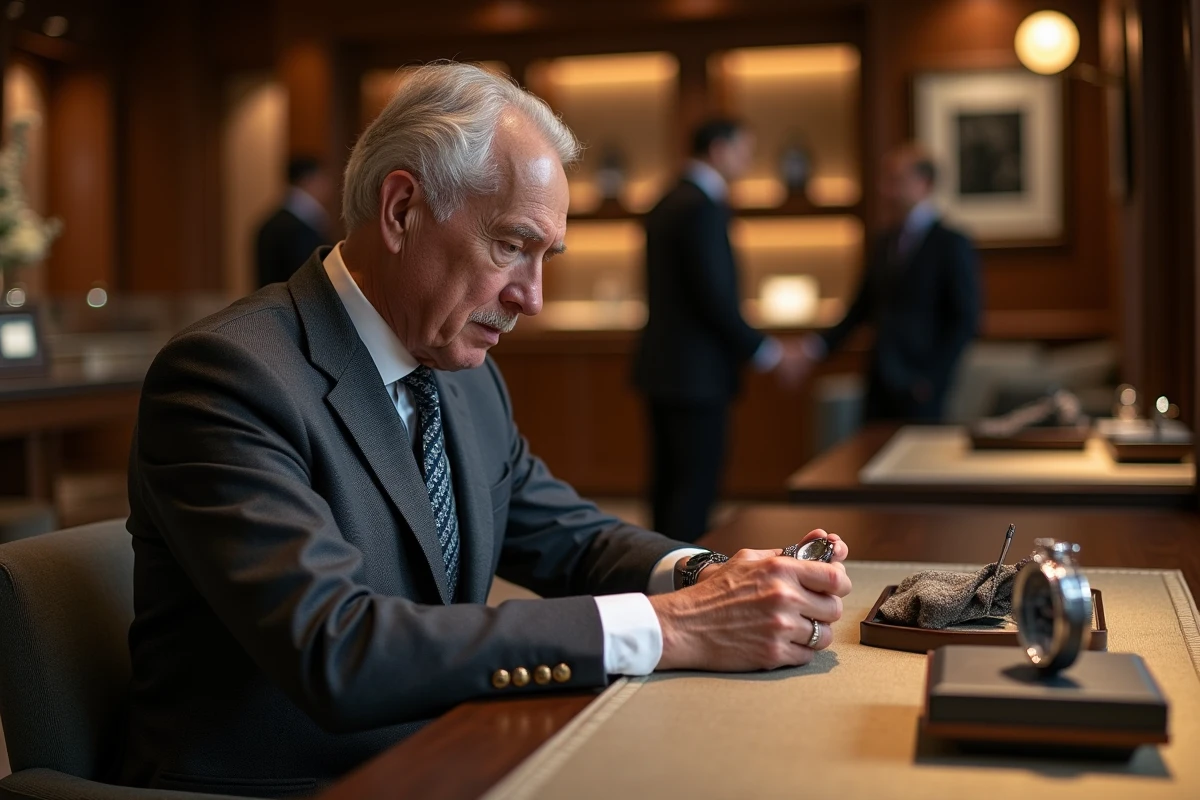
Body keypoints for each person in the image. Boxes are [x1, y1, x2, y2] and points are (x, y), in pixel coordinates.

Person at [121, 64, 852, 795]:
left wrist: (708, 574)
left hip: (454, 757)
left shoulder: (462, 375)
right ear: (402, 209)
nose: (530, 298)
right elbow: (337, 649)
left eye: (545, 258)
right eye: (511, 246)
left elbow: (573, 539)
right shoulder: (227, 377)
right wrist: (675, 626)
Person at [633, 119, 805, 543]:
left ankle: (660, 576)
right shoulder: (701, 206)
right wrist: (768, 353)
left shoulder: (667, 199)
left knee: (669, 486)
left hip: (665, 368)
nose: (747, 161)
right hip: (697, 376)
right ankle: (685, 585)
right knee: (693, 491)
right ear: (718, 149)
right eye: (743, 150)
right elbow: (714, 299)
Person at [793, 144, 982, 421]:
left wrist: (932, 379)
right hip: (879, 381)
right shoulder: (884, 243)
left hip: (921, 386)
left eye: (895, 180)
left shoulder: (951, 244)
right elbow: (860, 309)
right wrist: (812, 349)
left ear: (924, 184)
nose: (885, 190)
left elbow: (966, 319)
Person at [255, 155, 335, 287]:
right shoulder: (299, 226)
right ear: (308, 180)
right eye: (323, 177)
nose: (327, 185)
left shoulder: (270, 222)